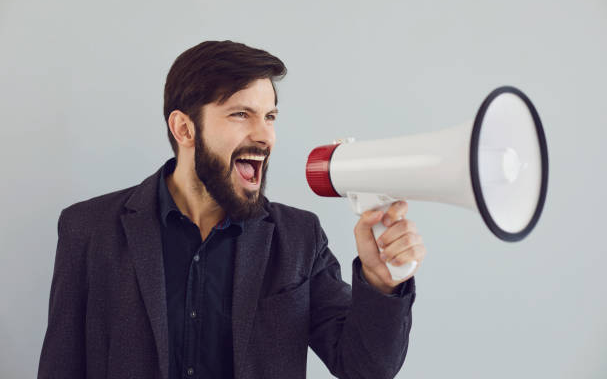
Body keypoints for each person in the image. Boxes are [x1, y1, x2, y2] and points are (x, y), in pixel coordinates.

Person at [37, 40, 426, 379]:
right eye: (241, 114)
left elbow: (365, 367)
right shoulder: (87, 229)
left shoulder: (299, 237)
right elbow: (61, 367)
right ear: (185, 129)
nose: (264, 135)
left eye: (270, 117)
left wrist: (381, 283)